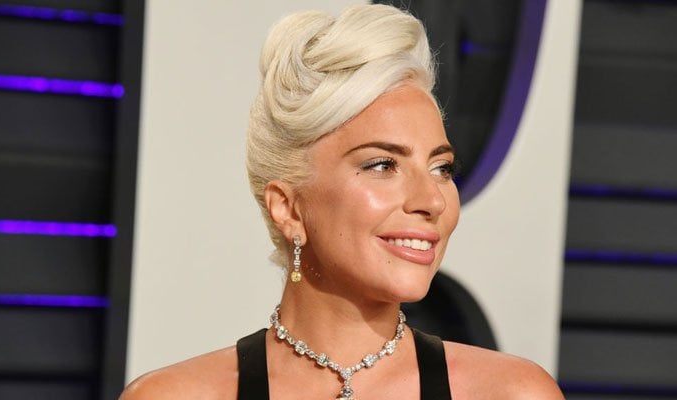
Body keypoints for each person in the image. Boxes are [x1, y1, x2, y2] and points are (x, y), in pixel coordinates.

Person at [120, 4, 565, 399]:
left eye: (441, 168)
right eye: (383, 165)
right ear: (288, 208)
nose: (432, 200)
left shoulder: (512, 394)